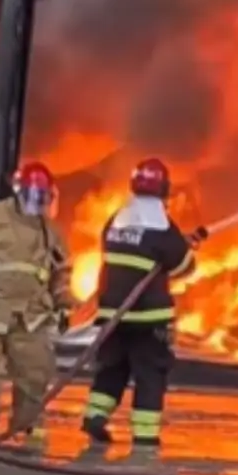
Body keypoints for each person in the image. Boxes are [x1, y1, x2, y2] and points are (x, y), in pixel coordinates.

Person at [81, 157, 204, 449]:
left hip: (113, 314)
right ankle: (145, 436)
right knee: (149, 374)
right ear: (164, 188)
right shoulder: (161, 225)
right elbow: (184, 268)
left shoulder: (117, 219)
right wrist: (184, 249)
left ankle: (95, 415)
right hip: (148, 319)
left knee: (112, 367)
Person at [0, 161, 72, 445]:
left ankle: (27, 423)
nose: (37, 203)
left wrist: (63, 305)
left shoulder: (50, 231)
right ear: (19, 192)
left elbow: (61, 272)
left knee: (36, 372)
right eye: (32, 196)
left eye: (42, 197)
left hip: (31, 315)